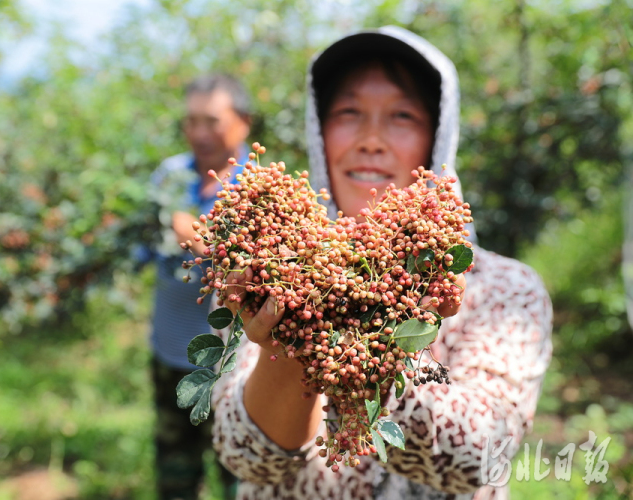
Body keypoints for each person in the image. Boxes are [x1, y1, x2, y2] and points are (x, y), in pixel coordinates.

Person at [210, 27, 553, 499]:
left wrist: (377, 346)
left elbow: (483, 454)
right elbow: (246, 458)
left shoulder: (506, 288)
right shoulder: (266, 272)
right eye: (349, 112)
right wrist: (295, 332)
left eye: (402, 116)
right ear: (319, 130)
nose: (371, 139)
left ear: (438, 137)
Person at [147, 73, 250, 500]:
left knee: (240, 473)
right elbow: (147, 242)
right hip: (170, 351)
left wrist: (202, 239)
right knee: (175, 472)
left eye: (212, 120)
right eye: (192, 121)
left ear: (243, 122)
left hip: (235, 364)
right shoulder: (170, 176)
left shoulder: (258, 184)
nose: (200, 132)